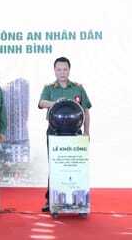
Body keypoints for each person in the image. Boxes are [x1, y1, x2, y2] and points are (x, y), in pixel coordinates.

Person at [38, 56, 92, 212]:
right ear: (54, 70)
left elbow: (86, 111)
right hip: (54, 132)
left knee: (75, 166)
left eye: (65, 69)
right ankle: (51, 200)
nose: (62, 72)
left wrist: (87, 132)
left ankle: (77, 198)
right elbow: (41, 103)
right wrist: (55, 103)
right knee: (54, 166)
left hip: (75, 133)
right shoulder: (49, 88)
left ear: (69, 70)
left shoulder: (78, 88)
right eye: (59, 69)